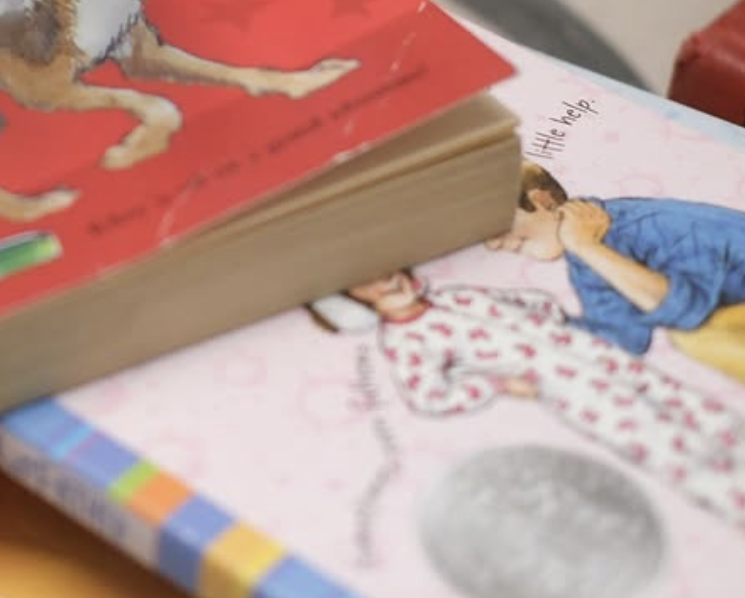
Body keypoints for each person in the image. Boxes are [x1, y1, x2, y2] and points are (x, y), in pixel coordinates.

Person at [314, 268, 745, 531]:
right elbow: (429, 396)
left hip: (588, 352)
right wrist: (497, 385)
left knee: (681, 399)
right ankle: (731, 496)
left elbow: (522, 300)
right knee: (659, 440)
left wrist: (550, 318)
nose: (387, 281)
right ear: (353, 303)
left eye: (389, 274)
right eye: (370, 285)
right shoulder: (406, 340)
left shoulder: (452, 296)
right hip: (567, 387)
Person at [486, 161, 745, 383]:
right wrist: (534, 329)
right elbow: (623, 336)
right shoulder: (584, 255)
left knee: (693, 336)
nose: (493, 244)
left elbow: (687, 312)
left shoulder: (637, 226)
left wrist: (588, 248)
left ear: (542, 201)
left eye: (494, 223)